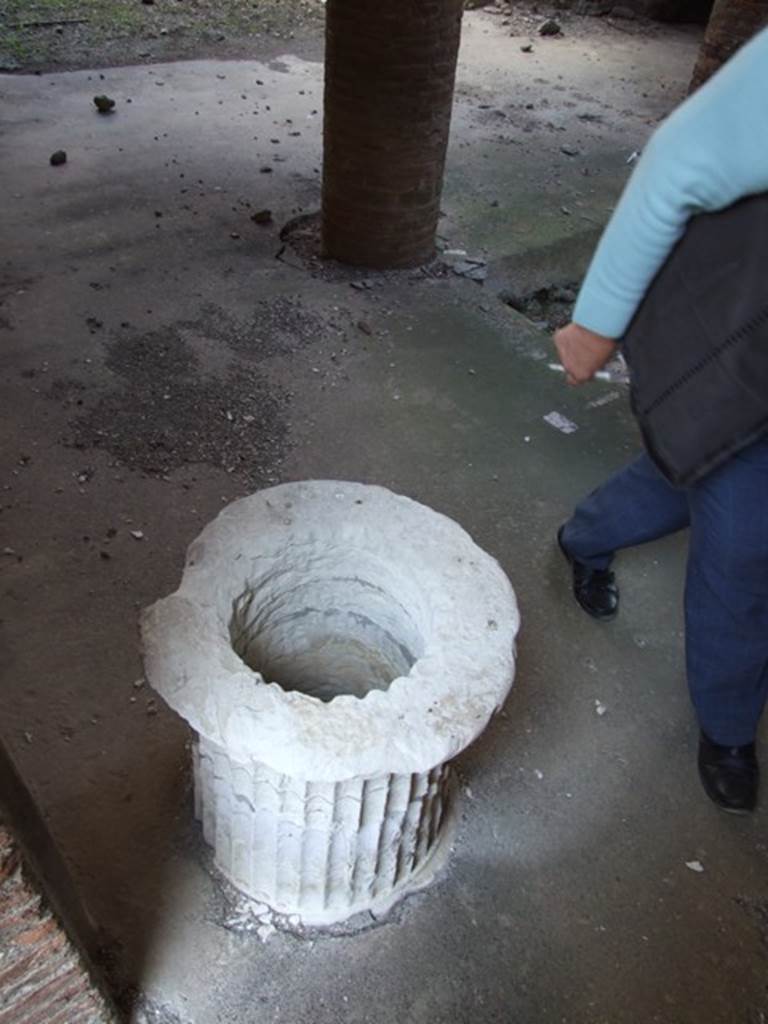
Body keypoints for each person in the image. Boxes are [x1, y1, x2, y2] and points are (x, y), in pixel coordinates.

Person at [553, 26, 768, 814]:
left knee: (691, 478)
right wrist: (594, 327)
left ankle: (585, 535)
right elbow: (683, 157)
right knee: (743, 553)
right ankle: (730, 726)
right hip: (743, 366)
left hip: (734, 396)